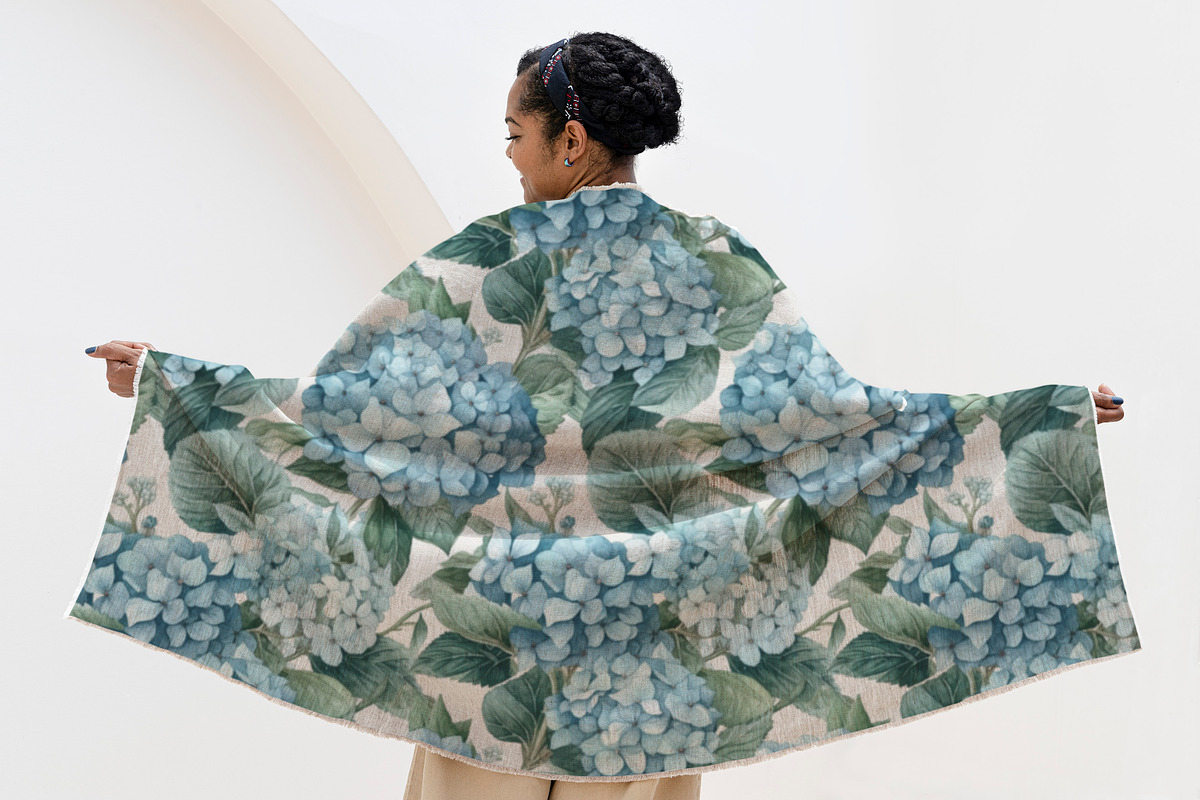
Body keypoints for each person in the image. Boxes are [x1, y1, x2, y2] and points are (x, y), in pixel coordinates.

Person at [83, 32, 1127, 800]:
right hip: (654, 661)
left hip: (493, 644)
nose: (510, 156)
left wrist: (182, 387)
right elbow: (833, 428)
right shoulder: (717, 262)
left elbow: (344, 425)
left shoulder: (487, 262)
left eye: (516, 134)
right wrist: (1041, 422)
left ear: (572, 139)